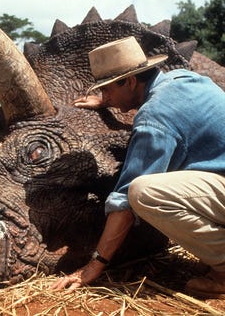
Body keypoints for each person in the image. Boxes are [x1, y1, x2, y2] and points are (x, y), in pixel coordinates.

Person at [51, 36, 225, 299]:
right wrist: (110, 101)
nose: (103, 96)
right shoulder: (182, 78)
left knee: (143, 192)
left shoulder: (154, 116)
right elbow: (161, 108)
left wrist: (95, 265)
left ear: (131, 81)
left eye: (106, 89)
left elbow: (124, 203)